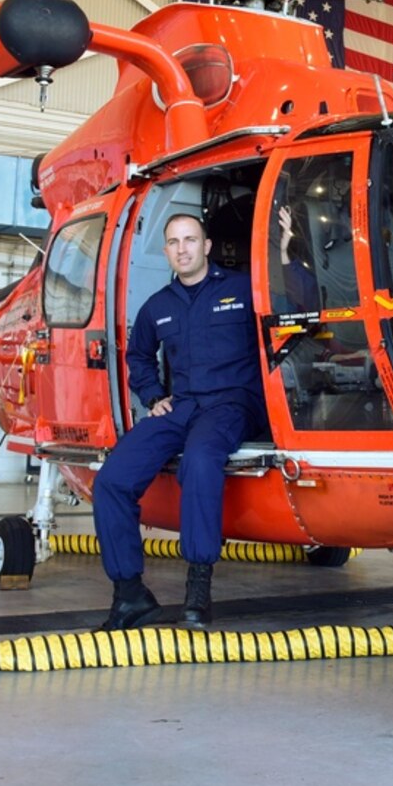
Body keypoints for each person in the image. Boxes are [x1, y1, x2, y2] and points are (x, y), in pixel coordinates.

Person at [93, 213, 264, 631]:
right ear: (167, 251)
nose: (183, 248)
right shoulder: (158, 306)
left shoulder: (244, 289)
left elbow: (288, 315)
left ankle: (198, 590)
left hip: (232, 404)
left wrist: (289, 247)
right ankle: (130, 594)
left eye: (191, 240)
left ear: (207, 246)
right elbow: (137, 356)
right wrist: (152, 396)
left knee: (201, 460)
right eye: (174, 242)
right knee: (112, 480)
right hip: (182, 406)